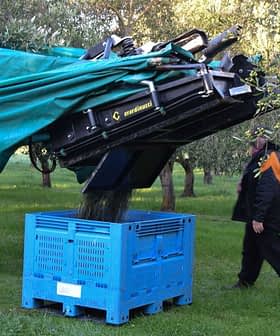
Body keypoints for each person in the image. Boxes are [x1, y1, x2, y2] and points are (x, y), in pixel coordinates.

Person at [230, 126, 280, 289]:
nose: (252, 144)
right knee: (251, 250)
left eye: (255, 139)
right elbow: (255, 178)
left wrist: (259, 218)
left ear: (263, 140)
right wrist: (243, 184)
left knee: (273, 250)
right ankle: (245, 281)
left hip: (267, 216)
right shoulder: (261, 156)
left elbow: (267, 189)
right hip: (254, 214)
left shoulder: (270, 157)